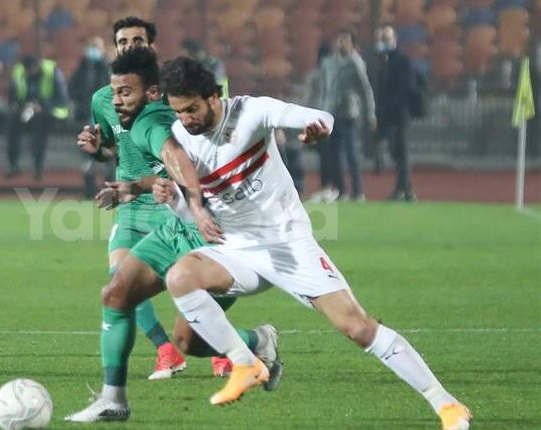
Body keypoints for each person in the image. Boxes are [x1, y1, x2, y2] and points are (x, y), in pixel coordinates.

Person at [151, 57, 471, 430]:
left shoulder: (251, 112)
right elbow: (192, 208)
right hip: (235, 249)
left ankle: (447, 405)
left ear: (212, 96)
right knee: (180, 278)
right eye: (178, 111)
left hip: (287, 245)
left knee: (358, 327)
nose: (186, 119)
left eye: (191, 108)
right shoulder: (180, 139)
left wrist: (318, 129)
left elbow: (319, 117)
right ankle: (246, 363)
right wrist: (174, 201)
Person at [65, 47, 282, 424]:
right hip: (179, 227)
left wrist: (195, 206)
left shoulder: (154, 121)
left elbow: (175, 158)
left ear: (151, 93)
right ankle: (113, 400)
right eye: (114, 92)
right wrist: (136, 186)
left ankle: (260, 341)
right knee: (116, 293)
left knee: (191, 340)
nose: (116, 101)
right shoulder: (154, 118)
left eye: (125, 92)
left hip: (220, 237)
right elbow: (168, 170)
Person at [75, 17, 231, 382]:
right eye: (123, 41)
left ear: (151, 46)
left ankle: (220, 349)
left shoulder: (171, 94)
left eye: (137, 40)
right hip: (131, 205)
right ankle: (166, 350)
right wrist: (98, 150)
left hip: (169, 201)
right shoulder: (103, 99)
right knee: (120, 280)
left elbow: (190, 148)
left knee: (195, 281)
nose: (130, 46)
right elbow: (112, 147)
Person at [316, 30, 376, 202]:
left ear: (351, 44)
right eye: (340, 40)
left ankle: (358, 191)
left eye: (346, 41)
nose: (342, 44)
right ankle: (341, 191)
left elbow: (365, 89)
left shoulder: (355, 62)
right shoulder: (327, 63)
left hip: (349, 113)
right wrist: (319, 112)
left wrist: (370, 112)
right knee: (334, 154)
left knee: (352, 153)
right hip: (330, 113)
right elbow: (324, 89)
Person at [370, 24, 418, 202]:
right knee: (396, 152)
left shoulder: (401, 61)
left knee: (400, 151)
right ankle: (407, 189)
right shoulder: (385, 62)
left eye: (386, 39)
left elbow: (407, 89)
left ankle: (401, 189)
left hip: (399, 115)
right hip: (388, 115)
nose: (382, 42)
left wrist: (390, 107)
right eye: (381, 39)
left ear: (394, 40)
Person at [6, 55, 70, 180]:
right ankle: (13, 165)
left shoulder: (52, 72)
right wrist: (18, 106)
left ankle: (37, 167)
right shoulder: (19, 72)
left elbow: (62, 99)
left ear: (37, 67)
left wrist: (43, 107)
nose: (29, 73)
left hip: (52, 112)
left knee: (40, 125)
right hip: (27, 111)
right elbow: (12, 96)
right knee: (11, 124)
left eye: (31, 70)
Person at [68, 36, 114, 198]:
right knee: (87, 156)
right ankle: (89, 190)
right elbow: (72, 89)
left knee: (108, 155)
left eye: (95, 47)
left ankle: (110, 189)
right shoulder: (82, 69)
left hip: (105, 119)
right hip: (86, 118)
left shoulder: (108, 69)